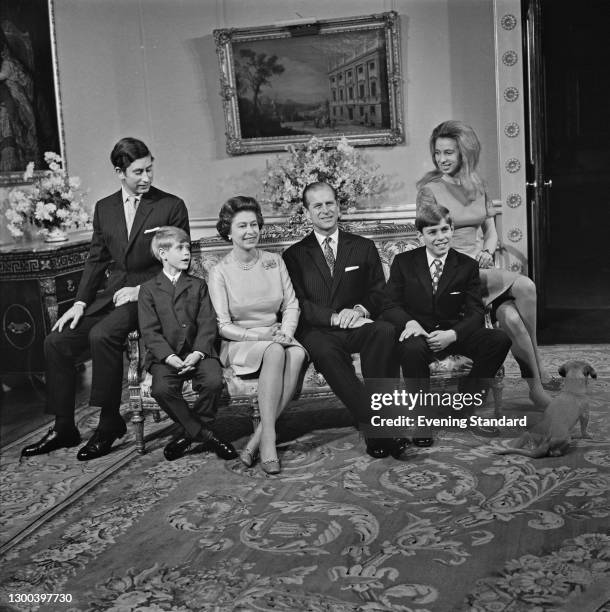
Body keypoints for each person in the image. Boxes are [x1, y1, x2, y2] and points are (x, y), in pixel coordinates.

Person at [21, 137, 190, 460]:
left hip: (152, 296)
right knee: (56, 340)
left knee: (103, 334)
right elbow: (96, 260)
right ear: (119, 172)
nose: (147, 178)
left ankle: (110, 422)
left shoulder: (171, 206)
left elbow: (182, 262)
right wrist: (80, 304)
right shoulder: (105, 208)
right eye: (138, 171)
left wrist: (141, 290)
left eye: (150, 169)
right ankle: (64, 426)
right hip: (112, 295)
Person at [416, 120, 552, 408]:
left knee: (512, 318)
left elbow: (491, 232)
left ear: (464, 153)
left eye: (449, 152)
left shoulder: (478, 185)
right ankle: (539, 366)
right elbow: (430, 239)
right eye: (438, 153)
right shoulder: (429, 191)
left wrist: (488, 252)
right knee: (525, 285)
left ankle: (535, 387)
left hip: (481, 269)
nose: (442, 159)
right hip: (453, 273)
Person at [282, 181, 401, 459]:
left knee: (383, 331)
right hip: (319, 329)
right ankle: (378, 426)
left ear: (339, 206)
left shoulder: (363, 246)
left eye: (329, 203)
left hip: (356, 324)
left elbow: (378, 293)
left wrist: (359, 310)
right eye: (317, 205)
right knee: (324, 350)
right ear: (306, 212)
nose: (325, 210)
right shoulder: (294, 255)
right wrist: (334, 317)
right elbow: (298, 303)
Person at [383, 203, 512, 434]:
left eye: (444, 230)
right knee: (411, 349)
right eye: (432, 232)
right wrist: (410, 324)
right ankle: (421, 418)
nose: (440, 237)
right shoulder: (404, 263)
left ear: (452, 229)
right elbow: (389, 304)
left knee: (499, 340)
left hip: (453, 332)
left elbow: (475, 312)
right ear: (420, 235)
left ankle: (465, 405)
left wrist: (453, 335)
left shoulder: (466, 265)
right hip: (418, 334)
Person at [208, 196, 307, 475]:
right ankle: (269, 443)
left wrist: (287, 333)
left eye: (254, 224)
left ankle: (257, 438)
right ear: (228, 231)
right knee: (275, 351)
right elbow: (222, 325)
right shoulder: (219, 271)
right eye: (242, 226)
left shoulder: (274, 261)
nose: (250, 231)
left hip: (276, 335)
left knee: (297, 352)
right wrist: (260, 338)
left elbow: (291, 304)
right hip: (240, 342)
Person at [138, 227, 237, 462]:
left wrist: (198, 352)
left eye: (188, 248)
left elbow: (207, 324)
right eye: (179, 248)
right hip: (166, 357)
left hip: (198, 352)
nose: (187, 253)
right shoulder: (149, 290)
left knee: (213, 382)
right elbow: (149, 332)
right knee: (161, 389)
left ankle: (188, 435)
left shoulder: (198, 285)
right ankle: (206, 435)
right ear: (162, 253)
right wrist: (169, 357)